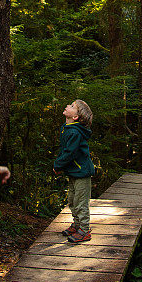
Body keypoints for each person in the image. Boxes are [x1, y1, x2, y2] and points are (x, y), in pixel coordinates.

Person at [53, 98, 95, 243]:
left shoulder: (75, 133)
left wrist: (58, 165)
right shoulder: (67, 128)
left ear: (75, 117)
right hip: (73, 172)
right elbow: (64, 150)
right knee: (72, 200)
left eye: (72, 106)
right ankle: (77, 225)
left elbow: (69, 153)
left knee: (80, 202)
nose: (67, 105)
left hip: (82, 173)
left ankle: (84, 229)